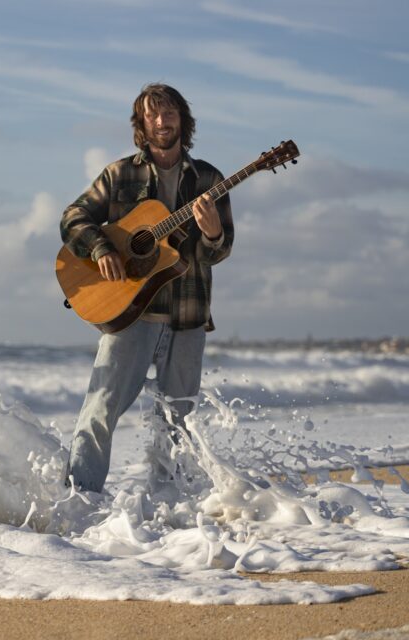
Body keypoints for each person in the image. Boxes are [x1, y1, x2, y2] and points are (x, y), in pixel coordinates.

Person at [59, 83, 234, 493]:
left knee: (179, 421)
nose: (161, 120)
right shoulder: (120, 173)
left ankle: (168, 505)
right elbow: (73, 217)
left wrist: (212, 234)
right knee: (101, 408)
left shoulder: (209, 178)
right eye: (152, 114)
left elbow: (220, 251)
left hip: (187, 315)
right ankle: (80, 499)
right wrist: (101, 246)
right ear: (141, 123)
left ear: (182, 118)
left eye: (169, 111)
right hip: (130, 314)